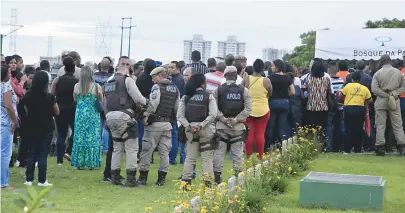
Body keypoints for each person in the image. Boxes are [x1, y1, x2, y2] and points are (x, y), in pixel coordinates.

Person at [104, 65, 147, 187]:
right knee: (131, 148)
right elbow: (138, 98)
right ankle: (131, 179)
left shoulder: (109, 83)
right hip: (124, 116)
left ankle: (115, 177)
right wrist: (147, 103)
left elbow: (105, 102)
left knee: (117, 148)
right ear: (127, 71)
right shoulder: (127, 80)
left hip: (110, 116)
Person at [138, 67, 180, 186]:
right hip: (167, 124)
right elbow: (177, 108)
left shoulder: (157, 87)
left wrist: (146, 115)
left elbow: (154, 104)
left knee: (146, 150)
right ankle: (161, 179)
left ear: (161, 76)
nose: (152, 80)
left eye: (154, 77)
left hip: (154, 124)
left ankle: (143, 178)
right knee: (164, 152)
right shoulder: (175, 89)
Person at [212, 66, 252, 184]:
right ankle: (239, 180)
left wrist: (223, 119)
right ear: (236, 77)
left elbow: (213, 109)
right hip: (238, 128)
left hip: (221, 127)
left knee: (219, 153)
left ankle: (217, 180)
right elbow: (248, 109)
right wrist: (236, 120)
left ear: (225, 76)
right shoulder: (244, 91)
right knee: (238, 155)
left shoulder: (218, 90)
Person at [177, 73, 217, 187]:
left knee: (190, 157)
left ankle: (186, 183)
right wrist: (202, 125)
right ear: (203, 84)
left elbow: (180, 116)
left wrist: (189, 126)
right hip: (206, 131)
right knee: (207, 158)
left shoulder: (186, 97)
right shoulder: (208, 96)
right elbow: (213, 114)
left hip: (191, 132)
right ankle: (208, 184)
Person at [22, 71, 59, 187]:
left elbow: (24, 110)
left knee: (32, 152)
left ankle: (29, 179)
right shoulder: (49, 97)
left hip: (31, 126)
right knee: (43, 154)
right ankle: (42, 180)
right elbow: (57, 111)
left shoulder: (27, 95)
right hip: (46, 126)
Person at [371, 55, 405, 156]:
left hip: (381, 101)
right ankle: (401, 146)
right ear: (390, 61)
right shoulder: (398, 73)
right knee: (398, 124)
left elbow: (374, 89)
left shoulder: (377, 73)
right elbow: (403, 86)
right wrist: (394, 93)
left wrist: (385, 95)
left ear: (381, 62)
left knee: (380, 125)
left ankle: (380, 146)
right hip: (394, 100)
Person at [71, 66, 103, 169]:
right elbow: (101, 100)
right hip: (92, 115)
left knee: (79, 137)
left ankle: (78, 163)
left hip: (80, 115)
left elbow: (75, 99)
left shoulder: (76, 86)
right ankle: (91, 163)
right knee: (92, 138)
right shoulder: (96, 86)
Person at [242, 59, 272, 158]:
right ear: (263, 69)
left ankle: (248, 155)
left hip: (249, 110)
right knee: (260, 134)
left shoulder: (246, 79)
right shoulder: (266, 80)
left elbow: (241, 91)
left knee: (249, 134)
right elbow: (270, 93)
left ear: (253, 68)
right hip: (263, 110)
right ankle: (260, 156)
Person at [52, 56, 78, 164]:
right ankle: (69, 151)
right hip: (73, 109)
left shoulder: (57, 80)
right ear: (73, 69)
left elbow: (52, 94)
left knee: (61, 134)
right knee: (76, 132)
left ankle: (59, 160)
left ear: (64, 68)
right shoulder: (77, 82)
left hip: (60, 109)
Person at [340, 71, 373, 153]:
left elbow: (341, 96)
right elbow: (370, 100)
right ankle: (357, 149)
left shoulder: (348, 86)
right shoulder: (364, 88)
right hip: (360, 109)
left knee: (348, 129)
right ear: (360, 79)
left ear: (352, 79)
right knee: (358, 129)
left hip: (349, 108)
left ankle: (347, 149)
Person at [266, 59, 294, 146]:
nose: (272, 67)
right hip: (284, 103)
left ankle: (268, 145)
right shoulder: (287, 78)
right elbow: (293, 92)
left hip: (273, 102)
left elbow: (267, 91)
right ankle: (283, 145)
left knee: (271, 125)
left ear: (277, 67)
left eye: (273, 66)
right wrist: (285, 95)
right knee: (282, 126)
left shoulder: (270, 78)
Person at [1, 66, 18, 190]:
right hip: (6, 123)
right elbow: (8, 105)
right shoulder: (6, 87)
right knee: (5, 154)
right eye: (8, 72)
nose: (10, 73)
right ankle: (3, 182)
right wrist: (14, 120)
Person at [168, 61, 185, 165]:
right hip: (176, 109)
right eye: (169, 67)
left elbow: (177, 96)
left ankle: (172, 159)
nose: (169, 69)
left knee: (174, 135)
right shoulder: (175, 78)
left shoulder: (178, 80)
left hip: (176, 110)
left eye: (172, 67)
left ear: (178, 68)